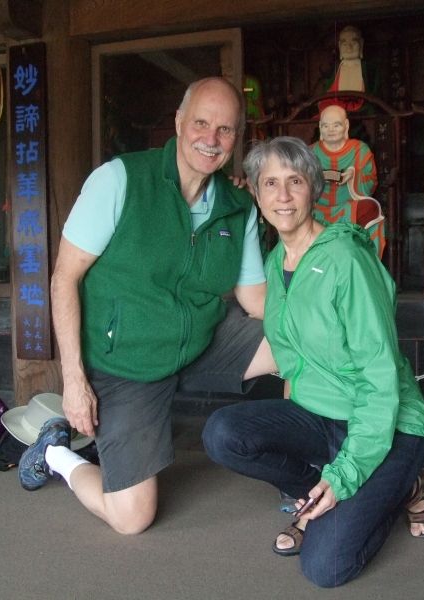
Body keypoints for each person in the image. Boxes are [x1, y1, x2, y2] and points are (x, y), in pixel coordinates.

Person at [18, 77, 275, 535]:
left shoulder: (238, 207)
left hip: (199, 341)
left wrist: (329, 317)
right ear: (178, 122)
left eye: (226, 130)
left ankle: (314, 467)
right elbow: (64, 277)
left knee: (295, 343)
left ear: (238, 137)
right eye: (201, 123)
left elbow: (257, 301)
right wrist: (74, 380)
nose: (211, 139)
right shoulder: (119, 180)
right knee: (132, 518)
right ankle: (57, 453)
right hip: (126, 363)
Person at [202, 136, 424, 588]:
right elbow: (293, 360)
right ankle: (316, 493)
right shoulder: (276, 263)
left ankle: (403, 484)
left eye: (295, 180)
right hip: (319, 415)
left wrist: (348, 473)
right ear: (255, 193)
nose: (283, 195)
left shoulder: (346, 259)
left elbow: (379, 378)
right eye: (269, 183)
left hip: (384, 424)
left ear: (313, 187)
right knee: (222, 433)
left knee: (324, 567)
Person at [311, 104, 385, 258]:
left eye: (336, 125)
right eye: (325, 126)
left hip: (348, 206)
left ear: (346, 126)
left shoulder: (359, 150)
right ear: (320, 127)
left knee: (370, 208)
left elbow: (371, 181)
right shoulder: (310, 152)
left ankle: (366, 261)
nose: (330, 130)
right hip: (317, 207)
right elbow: (297, 181)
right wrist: (313, 177)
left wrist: (353, 175)